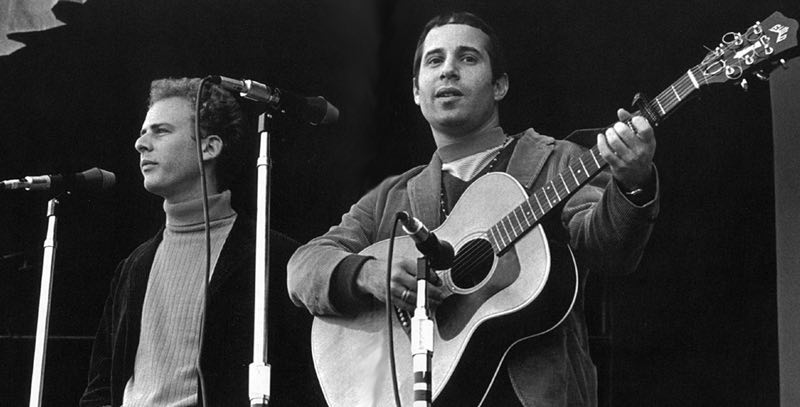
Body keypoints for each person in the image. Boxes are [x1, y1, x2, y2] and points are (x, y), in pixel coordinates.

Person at [288, 11, 659, 407]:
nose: (448, 70)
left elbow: (609, 250)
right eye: (435, 60)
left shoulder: (559, 162)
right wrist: (366, 273)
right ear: (416, 91)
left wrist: (632, 183)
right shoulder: (392, 198)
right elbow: (302, 268)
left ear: (499, 85)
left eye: (468, 58)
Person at [80, 78, 318, 407]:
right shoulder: (132, 267)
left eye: (160, 131)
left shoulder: (273, 257)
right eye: (143, 132)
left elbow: (304, 384)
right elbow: (100, 388)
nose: (140, 144)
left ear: (209, 147)